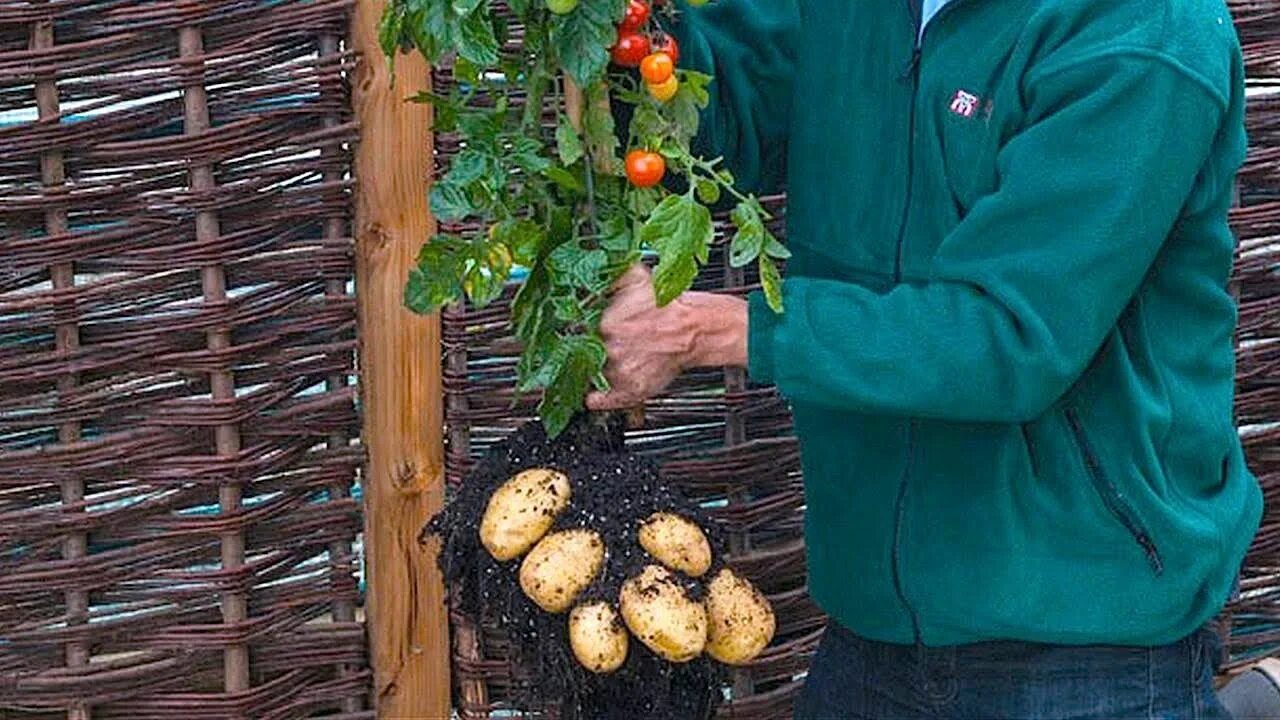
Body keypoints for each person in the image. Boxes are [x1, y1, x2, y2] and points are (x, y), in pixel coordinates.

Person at [586, 0, 1269, 717]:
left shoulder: (1144, 29)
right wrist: (618, 33)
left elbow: (1009, 335)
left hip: (1085, 652)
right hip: (869, 633)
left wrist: (715, 330)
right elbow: (712, 111)